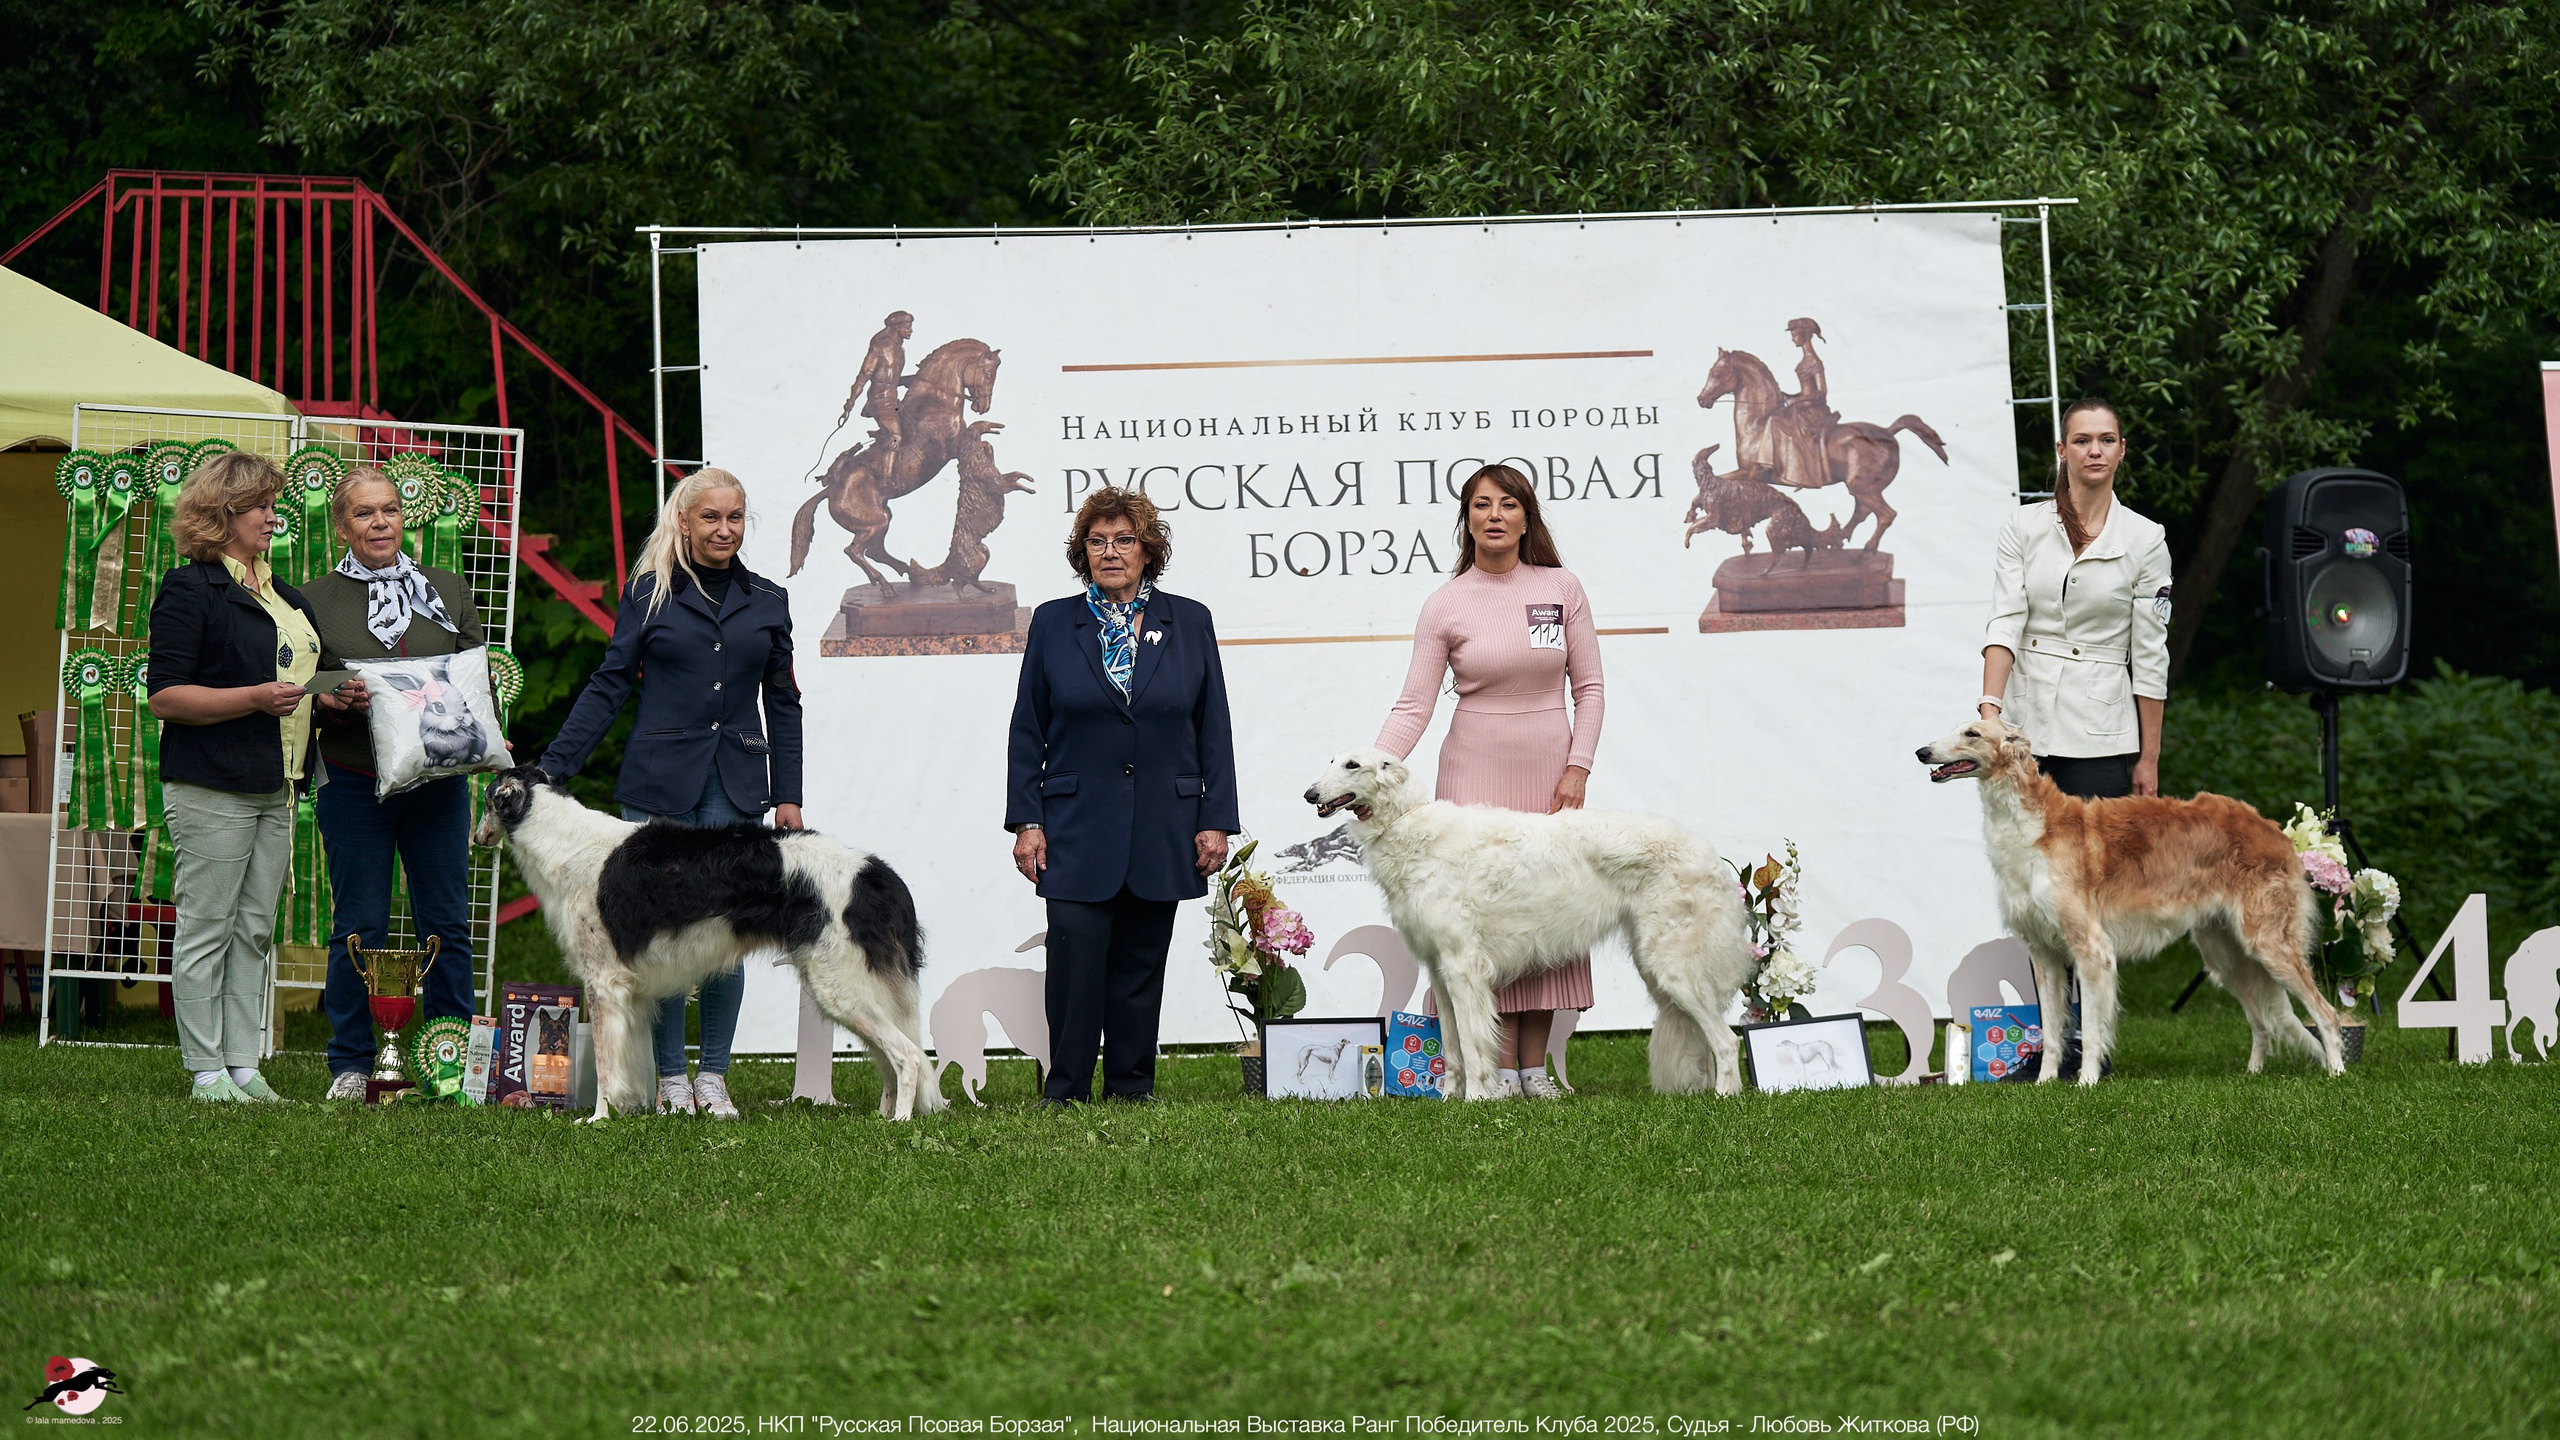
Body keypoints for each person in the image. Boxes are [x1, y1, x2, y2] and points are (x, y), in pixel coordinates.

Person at [541, 468, 804, 1118]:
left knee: (726, 936)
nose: (724, 530)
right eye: (711, 518)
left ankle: (713, 1077)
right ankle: (671, 1079)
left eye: (735, 517)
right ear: (684, 523)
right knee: (653, 937)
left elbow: (785, 703)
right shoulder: (647, 594)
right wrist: (552, 769)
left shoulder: (769, 600)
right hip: (657, 783)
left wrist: (788, 795)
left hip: (737, 787)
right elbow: (610, 685)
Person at [1375, 463, 1604, 1100]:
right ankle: (1493, 1068)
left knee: (1547, 909)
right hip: (1471, 772)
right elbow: (1414, 706)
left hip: (1551, 774)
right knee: (1477, 920)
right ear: (1467, 519)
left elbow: (1588, 687)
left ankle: (1535, 1068)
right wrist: (1367, 773)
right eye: (1481, 505)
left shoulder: (1562, 587)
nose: (1494, 515)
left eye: (1508, 504)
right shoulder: (1446, 602)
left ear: (1527, 517)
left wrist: (1578, 768)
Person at [1006, 487, 1238, 1106]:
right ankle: (1067, 1092)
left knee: (1141, 967)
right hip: (1075, 825)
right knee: (1076, 968)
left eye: (1124, 540)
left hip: (1165, 822)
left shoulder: (1189, 620)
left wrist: (1216, 818)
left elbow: (1212, 725)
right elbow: (1028, 726)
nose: (1111, 552)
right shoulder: (1055, 621)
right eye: (1098, 540)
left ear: (1148, 549)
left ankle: (1133, 1089)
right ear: (1083, 552)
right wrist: (1027, 820)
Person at [145, 450, 326, 1103]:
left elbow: (302, 680)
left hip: (277, 784)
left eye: (273, 506)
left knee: (254, 927)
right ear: (224, 515)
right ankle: (204, 1071)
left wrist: (330, 697)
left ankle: (243, 1065)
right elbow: (165, 696)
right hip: (210, 784)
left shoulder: (282, 593)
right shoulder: (191, 588)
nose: (274, 518)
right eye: (263, 507)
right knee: (207, 924)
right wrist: (252, 697)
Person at [301, 467, 487, 1101]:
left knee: (447, 922)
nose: (379, 523)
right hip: (353, 781)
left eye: (389, 511)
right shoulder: (312, 599)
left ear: (404, 517)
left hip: (438, 783)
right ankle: (353, 1065)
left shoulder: (447, 588)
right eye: (363, 514)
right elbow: (299, 684)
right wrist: (332, 696)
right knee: (360, 925)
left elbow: (474, 677)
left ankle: (451, 1062)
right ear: (341, 526)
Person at [1980, 396, 2173, 798]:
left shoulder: (2147, 538)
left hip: (2101, 735)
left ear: (2122, 450)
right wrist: (1990, 714)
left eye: (2107, 439)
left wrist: (2149, 757)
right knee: (2018, 856)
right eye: (2082, 440)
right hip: (2021, 728)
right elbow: (2005, 621)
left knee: (2096, 860)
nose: (2095, 451)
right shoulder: (2023, 524)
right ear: (2062, 451)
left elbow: (2151, 654)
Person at [1768, 317, 1837, 490]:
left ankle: (1801, 473)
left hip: (1814, 411)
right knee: (1776, 417)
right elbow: (1807, 391)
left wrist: (1796, 400)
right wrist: (1789, 396)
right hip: (1803, 406)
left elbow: (1821, 392)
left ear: (1804, 335)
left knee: (1777, 421)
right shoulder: (1805, 361)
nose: (1792, 339)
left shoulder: (1814, 362)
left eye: (1794, 335)